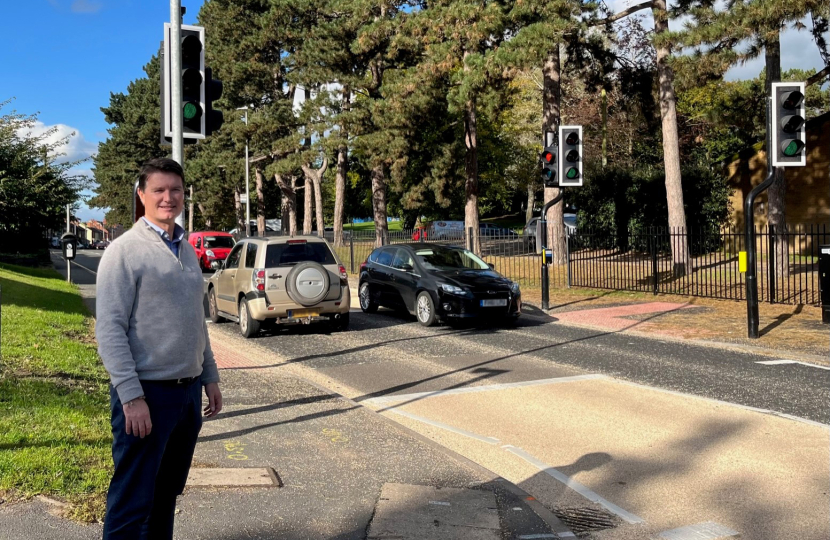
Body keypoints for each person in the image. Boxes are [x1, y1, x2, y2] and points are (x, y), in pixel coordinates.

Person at [96, 157, 222, 540]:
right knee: (132, 504)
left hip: (186, 396)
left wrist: (210, 377)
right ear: (142, 195)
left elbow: (196, 321)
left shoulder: (185, 249)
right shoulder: (124, 251)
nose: (168, 197)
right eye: (159, 190)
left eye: (176, 190)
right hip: (147, 396)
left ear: (184, 195)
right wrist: (131, 396)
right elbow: (110, 329)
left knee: (166, 496)